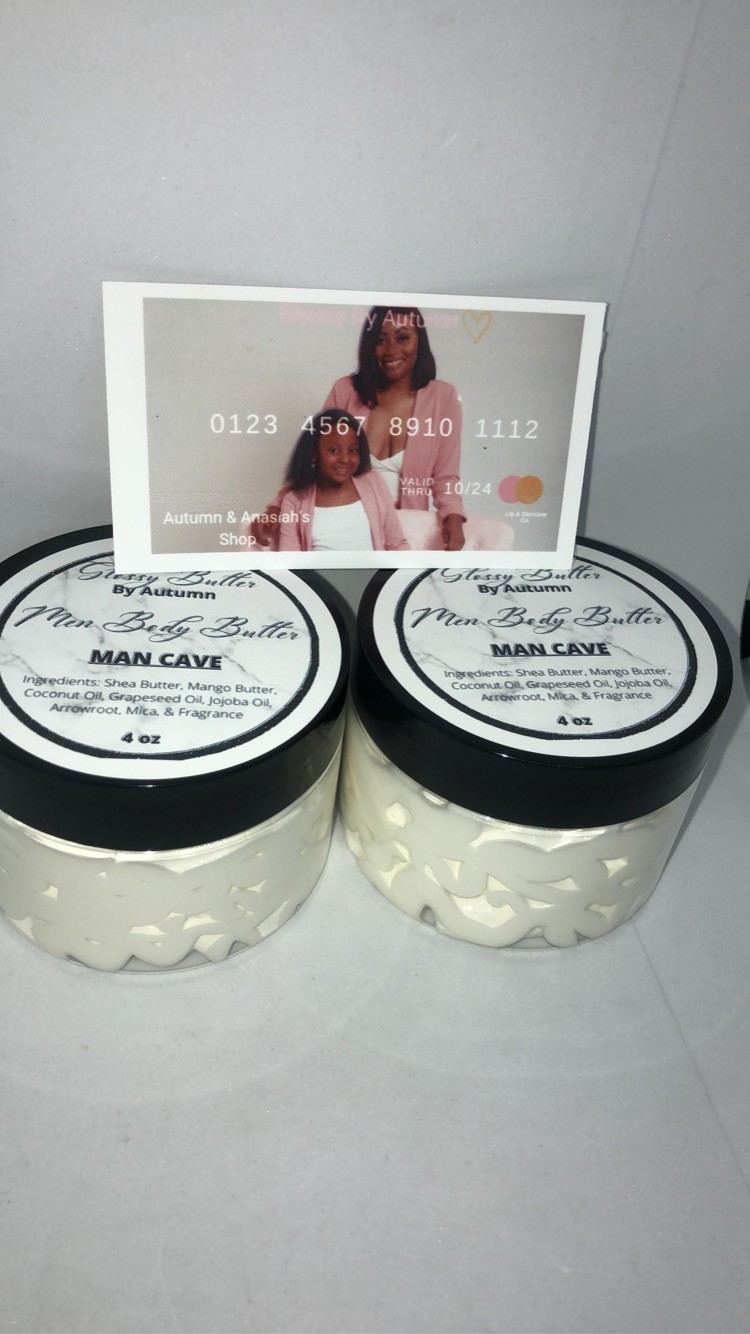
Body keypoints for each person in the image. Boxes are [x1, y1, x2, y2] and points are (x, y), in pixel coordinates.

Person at [253, 305, 466, 551]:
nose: (391, 350)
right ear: (369, 345)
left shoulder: (444, 397)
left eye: (402, 338)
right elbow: (317, 457)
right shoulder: (346, 390)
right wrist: (276, 507)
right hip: (350, 522)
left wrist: (453, 516)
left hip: (408, 527)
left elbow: (446, 476)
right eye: (380, 340)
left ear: (420, 341)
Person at [277, 409, 409, 553]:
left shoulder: (374, 482)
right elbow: (290, 559)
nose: (345, 459)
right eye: (334, 450)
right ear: (313, 454)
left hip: (373, 568)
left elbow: (397, 543)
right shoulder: (294, 501)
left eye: (353, 450)